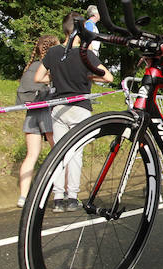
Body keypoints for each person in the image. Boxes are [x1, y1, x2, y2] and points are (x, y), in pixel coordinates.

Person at [34, 11, 114, 212]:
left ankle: (58, 198)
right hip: (80, 107)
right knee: (75, 154)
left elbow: (38, 77)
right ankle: (72, 197)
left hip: (58, 107)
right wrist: (88, 77)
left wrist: (55, 79)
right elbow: (108, 78)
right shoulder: (86, 54)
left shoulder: (53, 52)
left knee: (59, 152)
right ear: (80, 30)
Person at [16, 34, 59, 207]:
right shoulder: (51, 65)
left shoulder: (31, 67)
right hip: (48, 112)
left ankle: (23, 196)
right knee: (59, 152)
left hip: (31, 113)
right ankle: (59, 193)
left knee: (31, 155)